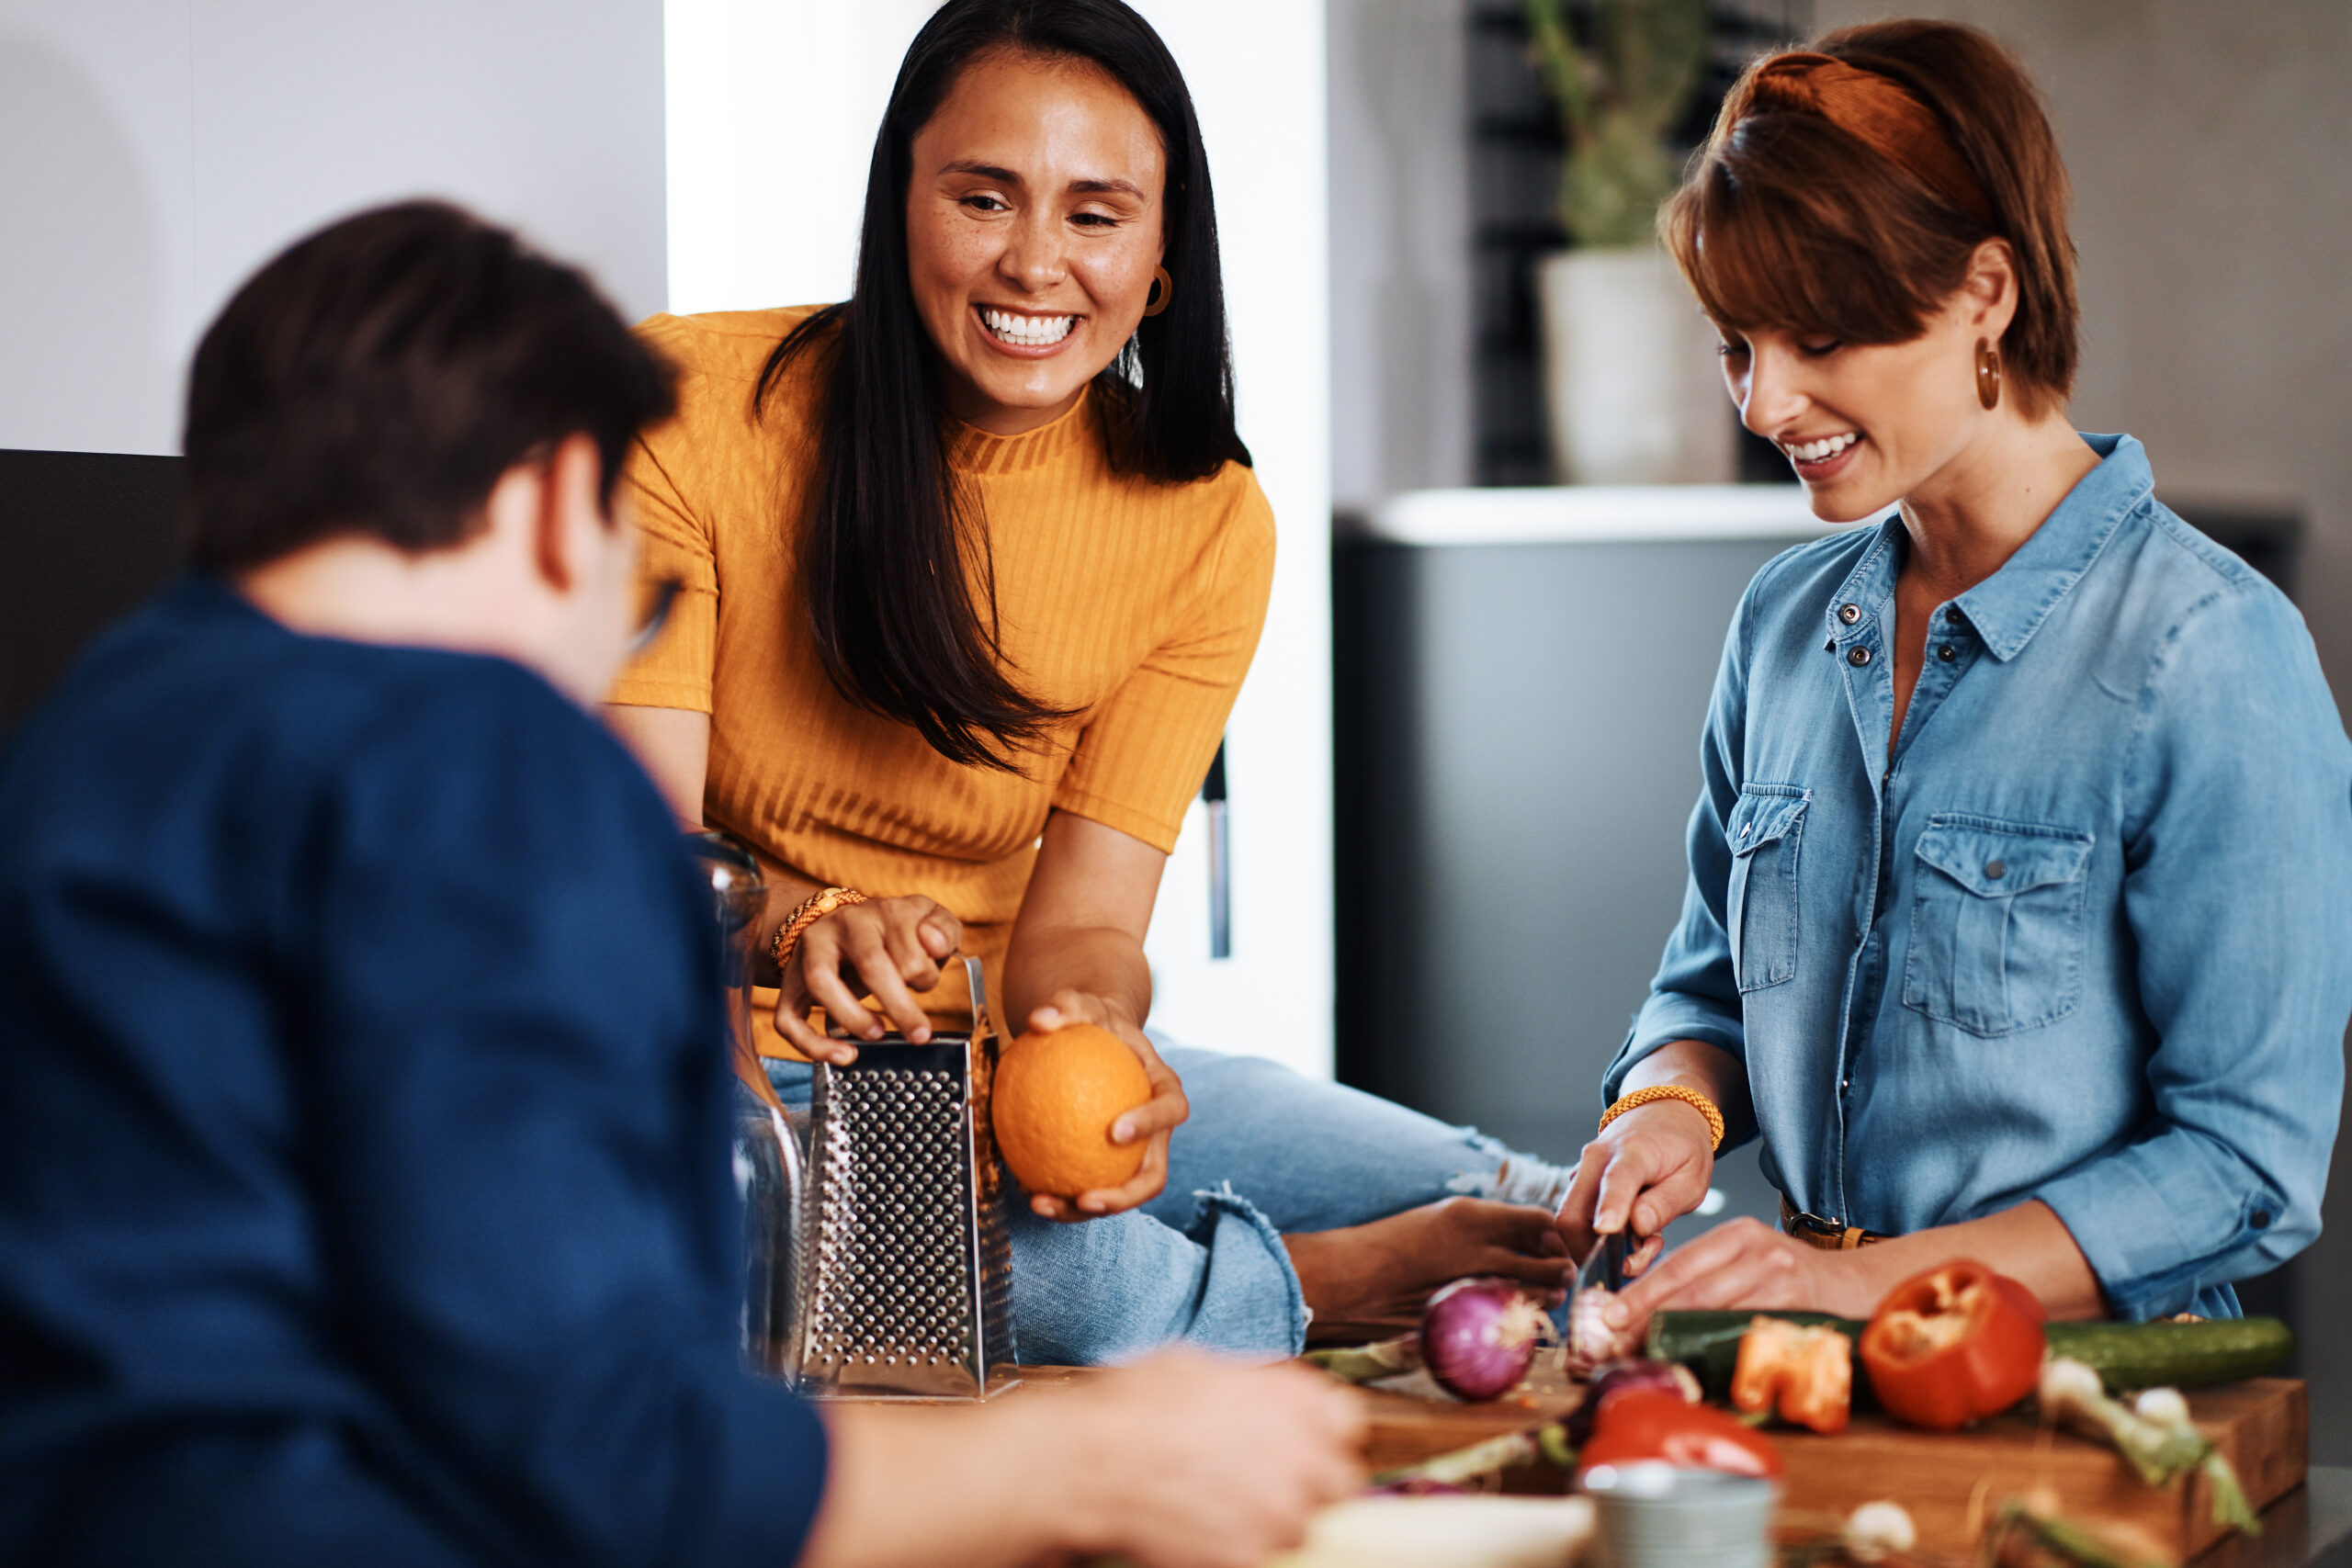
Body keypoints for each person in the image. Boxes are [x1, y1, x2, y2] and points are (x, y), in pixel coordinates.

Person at [0, 200, 1364, 1568]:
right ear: (548, 506)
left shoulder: (84, 739)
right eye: (632, 594)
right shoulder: (474, 759)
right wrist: (1088, 1463)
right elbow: (601, 1452)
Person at [606, 0, 1573, 1361]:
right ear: (902, 205)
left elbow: (1086, 925)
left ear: (1164, 250)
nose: (1034, 262)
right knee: (1017, 1279)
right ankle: (1312, 1288)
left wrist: (1090, 1032)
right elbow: (633, 874)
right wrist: (803, 925)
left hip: (995, 1073)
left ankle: (1237, 1270)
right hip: (736, 1061)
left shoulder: (1204, 517)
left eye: (1096, 213)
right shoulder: (688, 410)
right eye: (984, 198)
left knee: (1522, 1215)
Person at [1554, 20, 2352, 1338]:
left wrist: (1856, 1282)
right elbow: (1707, 988)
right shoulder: (1783, 626)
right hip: (1813, 1375)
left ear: (1987, 292)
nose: (1763, 403)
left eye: (1817, 337)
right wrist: (1667, 1110)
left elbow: (2245, 1167)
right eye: (1736, 343)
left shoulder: (2209, 653)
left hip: (2085, 1402)